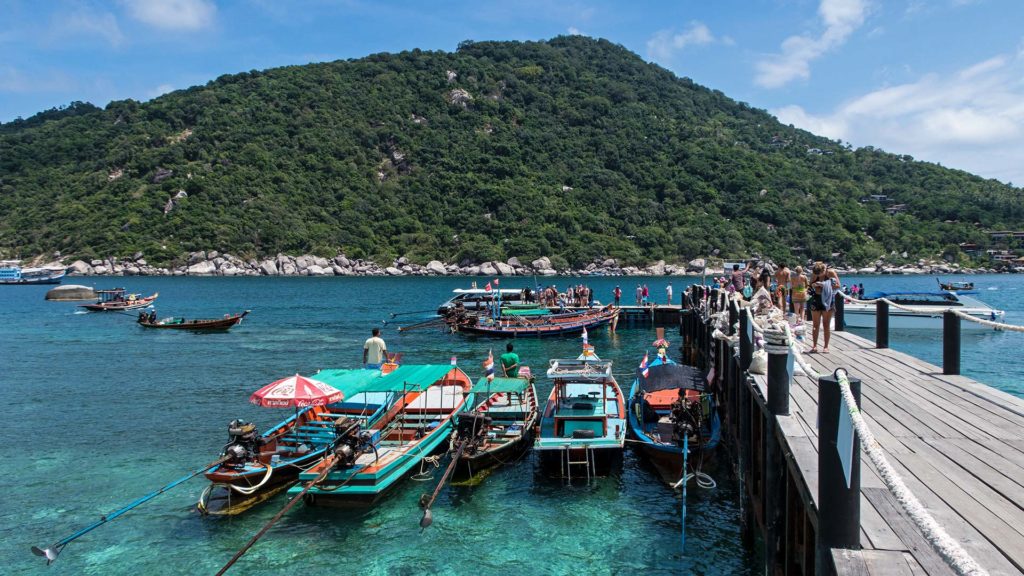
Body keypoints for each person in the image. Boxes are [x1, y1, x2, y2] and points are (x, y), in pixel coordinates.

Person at [808, 262, 841, 354]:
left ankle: (826, 346)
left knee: (826, 324)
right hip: (816, 298)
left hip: (828, 299)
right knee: (815, 325)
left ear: (824, 270)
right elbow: (809, 286)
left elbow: (838, 285)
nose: (818, 275)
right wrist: (813, 285)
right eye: (816, 274)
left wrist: (824, 284)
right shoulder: (815, 273)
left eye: (819, 274)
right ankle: (814, 346)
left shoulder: (831, 273)